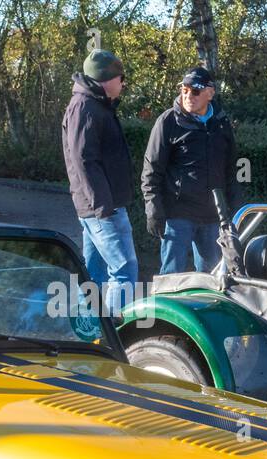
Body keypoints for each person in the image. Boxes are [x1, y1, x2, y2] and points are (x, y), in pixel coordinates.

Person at [142, 66, 242, 275]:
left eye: (195, 91)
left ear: (210, 93)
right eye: (184, 90)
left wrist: (235, 208)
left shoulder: (221, 124)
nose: (188, 96)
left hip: (213, 216)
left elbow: (231, 168)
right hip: (178, 214)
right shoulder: (168, 121)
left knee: (213, 278)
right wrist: (153, 208)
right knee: (171, 276)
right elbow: (152, 170)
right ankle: (164, 307)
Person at [61, 48, 137, 315]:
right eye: (121, 77)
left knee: (94, 274)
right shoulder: (87, 107)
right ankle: (120, 337)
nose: (123, 83)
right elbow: (84, 160)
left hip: (96, 207)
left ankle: (89, 329)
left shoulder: (93, 105)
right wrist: (103, 207)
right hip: (103, 209)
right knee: (124, 271)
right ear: (107, 79)